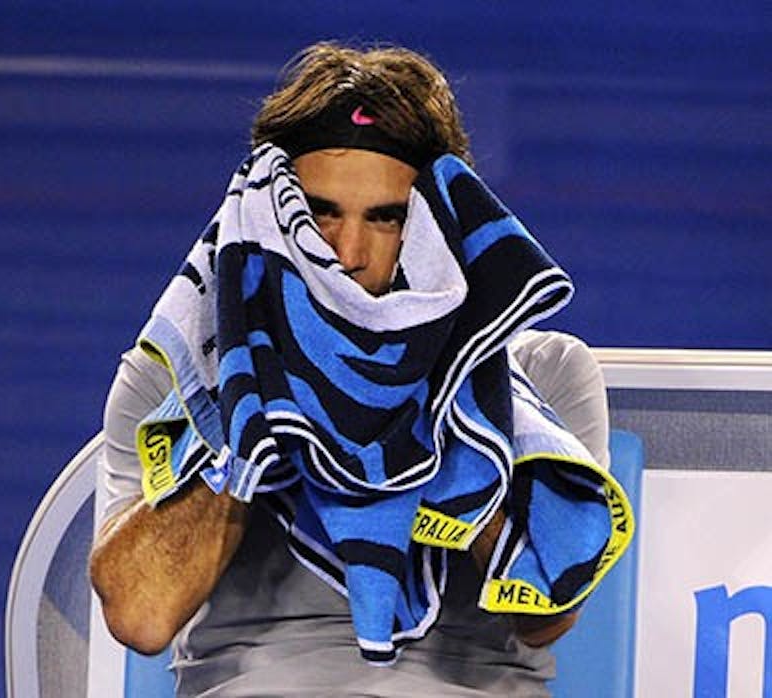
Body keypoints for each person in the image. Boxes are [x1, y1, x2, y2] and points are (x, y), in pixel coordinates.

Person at [89, 42, 612, 696]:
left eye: (387, 218)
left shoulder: (546, 373)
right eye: (320, 213)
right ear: (269, 214)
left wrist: (441, 390)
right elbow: (140, 616)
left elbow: (546, 618)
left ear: (439, 223)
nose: (348, 254)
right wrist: (257, 398)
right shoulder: (180, 378)